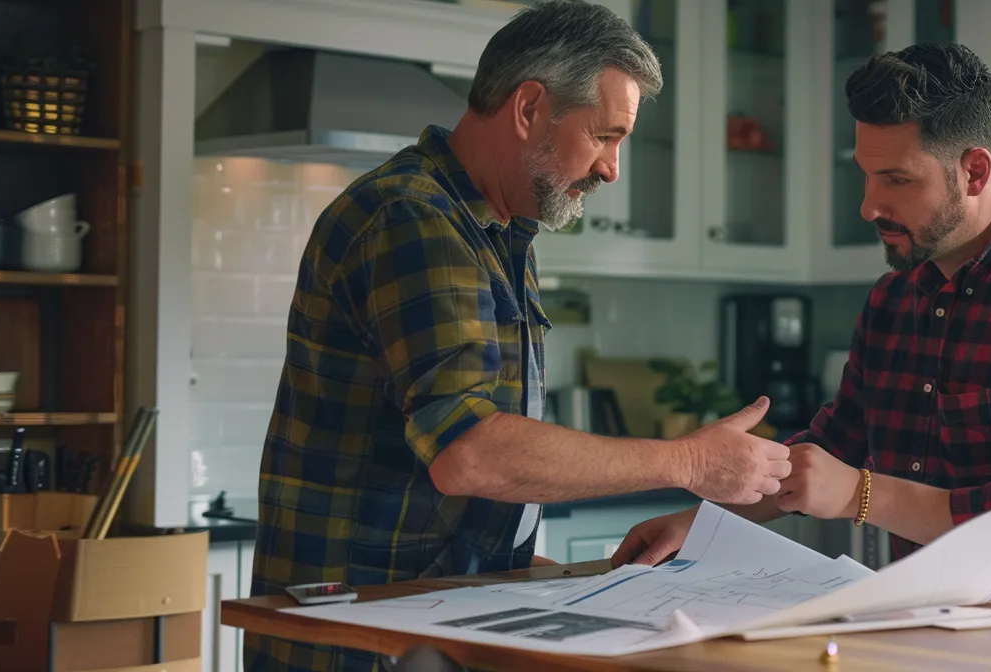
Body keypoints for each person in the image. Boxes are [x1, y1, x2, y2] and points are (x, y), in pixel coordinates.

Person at [247, 2, 792, 669]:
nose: (613, 168)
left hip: (428, 617)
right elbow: (469, 453)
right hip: (360, 638)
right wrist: (690, 463)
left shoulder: (499, 231)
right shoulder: (413, 217)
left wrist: (523, 565)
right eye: (605, 136)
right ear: (530, 107)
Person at [612, 43, 991, 624]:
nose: (869, 206)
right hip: (958, 636)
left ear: (974, 172)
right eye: (866, 177)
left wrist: (855, 495)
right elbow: (832, 448)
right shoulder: (895, 299)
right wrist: (698, 526)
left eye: (895, 179)